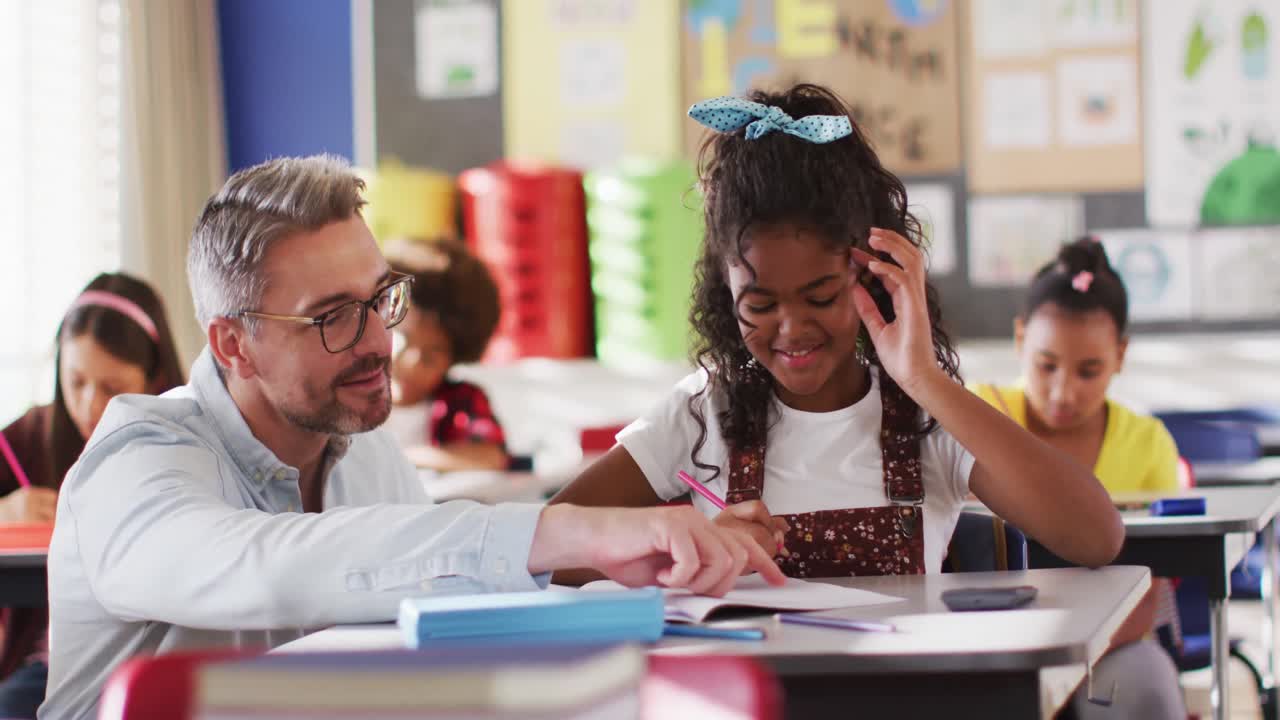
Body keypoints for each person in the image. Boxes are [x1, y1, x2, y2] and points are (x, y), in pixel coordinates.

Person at [40, 155, 784, 720]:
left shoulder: (363, 452)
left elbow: (444, 594)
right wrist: (574, 532)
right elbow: (261, 565)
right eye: (333, 316)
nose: (378, 343)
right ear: (233, 346)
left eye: (379, 299)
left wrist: (647, 561)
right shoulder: (134, 458)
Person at [551, 84, 1122, 584]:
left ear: (872, 272)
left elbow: (1095, 537)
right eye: (759, 303)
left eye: (821, 296)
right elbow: (547, 553)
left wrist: (924, 378)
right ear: (726, 297)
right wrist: (682, 547)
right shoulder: (702, 413)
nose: (793, 327)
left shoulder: (926, 416)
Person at [973, 238, 1184, 719]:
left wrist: (1063, 662)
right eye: (1046, 366)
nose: (1063, 392)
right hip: (988, 640)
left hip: (1111, 647)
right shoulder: (977, 412)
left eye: (1089, 370)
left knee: (1145, 683)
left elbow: (1146, 600)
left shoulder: (1147, 442)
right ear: (1020, 338)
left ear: (1121, 355)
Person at [0, 272, 184, 719]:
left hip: (157, 655)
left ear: (154, 378)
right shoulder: (27, 439)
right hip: (47, 665)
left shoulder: (185, 444)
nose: (88, 405)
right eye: (76, 380)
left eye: (112, 389)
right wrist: (4, 509)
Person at [385, 238, 508, 472]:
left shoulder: (460, 401)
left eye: (432, 355)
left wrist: (402, 458)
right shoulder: (352, 395)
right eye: (404, 339)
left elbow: (491, 456)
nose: (413, 363)